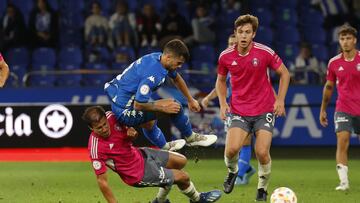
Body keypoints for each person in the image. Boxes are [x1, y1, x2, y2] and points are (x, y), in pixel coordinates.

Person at [215, 14, 290, 201]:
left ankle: (262, 189)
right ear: (235, 33)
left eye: (247, 32)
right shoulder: (225, 56)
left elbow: (285, 74)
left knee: (262, 152)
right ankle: (233, 172)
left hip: (264, 110)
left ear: (253, 34)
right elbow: (220, 81)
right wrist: (223, 103)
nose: (243, 36)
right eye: (240, 32)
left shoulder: (264, 52)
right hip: (239, 110)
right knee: (231, 151)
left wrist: (280, 100)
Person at [83, 106, 222, 203]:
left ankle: (160, 200)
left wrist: (132, 134)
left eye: (104, 124)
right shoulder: (96, 148)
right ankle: (197, 199)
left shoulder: (112, 116)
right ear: (91, 128)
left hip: (141, 154)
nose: (104, 129)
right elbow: (102, 181)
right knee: (183, 177)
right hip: (137, 173)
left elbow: (130, 133)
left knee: (181, 161)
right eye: (99, 128)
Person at [104, 39, 217, 151]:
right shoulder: (153, 75)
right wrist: (162, 107)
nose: (180, 66)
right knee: (174, 105)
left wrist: (190, 99)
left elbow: (176, 78)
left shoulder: (158, 58)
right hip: (125, 112)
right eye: (179, 63)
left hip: (121, 102)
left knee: (149, 122)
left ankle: (165, 147)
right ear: (168, 57)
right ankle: (191, 138)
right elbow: (138, 105)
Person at [201, 34, 256, 186]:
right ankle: (248, 168)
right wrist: (208, 98)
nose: (231, 45)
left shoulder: (248, 61)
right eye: (229, 43)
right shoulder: (227, 63)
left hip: (247, 108)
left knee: (245, 142)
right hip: (231, 109)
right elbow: (221, 85)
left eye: (234, 43)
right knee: (234, 146)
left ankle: (239, 175)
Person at [319, 24, 360, 191]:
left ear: (355, 40)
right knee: (342, 141)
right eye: (342, 38)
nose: (345, 41)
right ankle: (344, 183)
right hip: (343, 108)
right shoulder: (334, 63)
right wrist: (323, 109)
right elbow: (329, 87)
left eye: (348, 38)